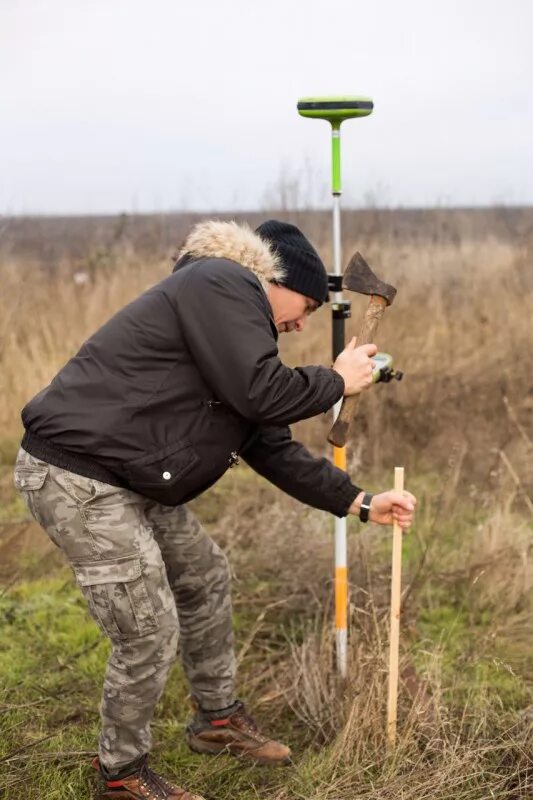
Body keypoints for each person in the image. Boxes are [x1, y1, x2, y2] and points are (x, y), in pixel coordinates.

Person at [14, 219, 416, 800]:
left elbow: (270, 442)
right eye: (304, 304)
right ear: (273, 279)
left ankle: (217, 720)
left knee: (204, 576)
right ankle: (122, 776)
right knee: (147, 628)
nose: (302, 321)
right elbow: (263, 391)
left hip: (130, 478)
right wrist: (334, 379)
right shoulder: (220, 281)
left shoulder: (231, 334)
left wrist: (361, 502)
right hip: (76, 475)